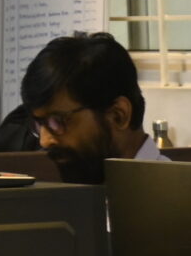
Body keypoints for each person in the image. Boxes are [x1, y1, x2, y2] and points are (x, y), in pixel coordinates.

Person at [19, 32, 160, 185]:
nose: (44, 141)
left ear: (118, 115)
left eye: (57, 121)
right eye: (39, 123)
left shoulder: (170, 194)